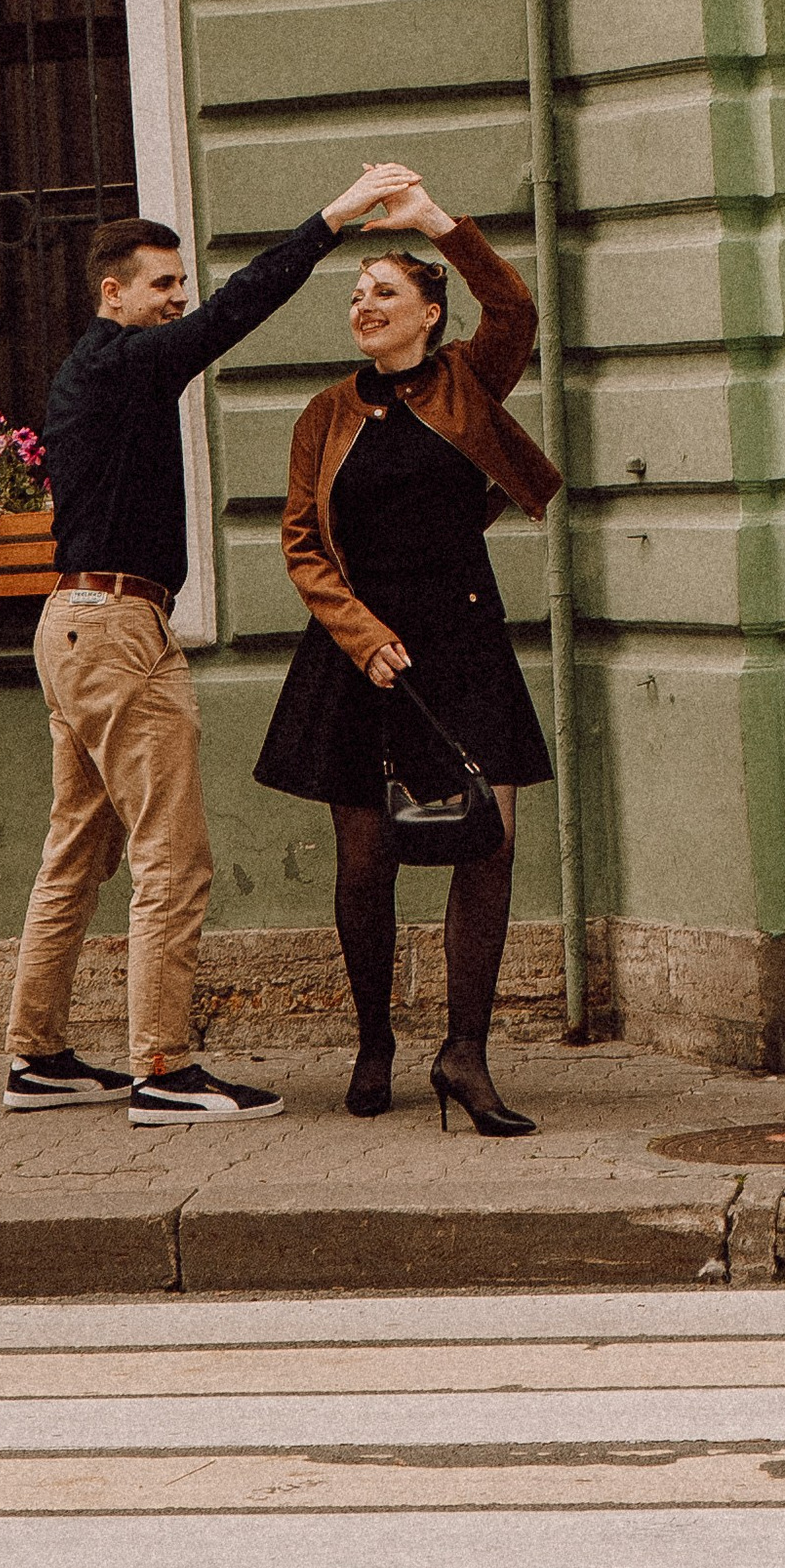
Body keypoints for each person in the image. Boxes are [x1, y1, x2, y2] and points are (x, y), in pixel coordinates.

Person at [3, 159, 422, 1126]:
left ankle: (38, 1055)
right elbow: (236, 311)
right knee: (172, 859)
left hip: (76, 626)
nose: (178, 300)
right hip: (116, 632)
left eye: (180, 283)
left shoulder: (94, 371)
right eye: (162, 285)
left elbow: (212, 314)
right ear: (113, 293)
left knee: (77, 853)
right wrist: (331, 219)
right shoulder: (123, 361)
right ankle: (162, 1067)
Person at [253, 187, 560, 1134]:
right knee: (366, 858)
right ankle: (375, 1040)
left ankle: (465, 1053)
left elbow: (513, 307)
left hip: (463, 639)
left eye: (384, 292)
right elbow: (302, 541)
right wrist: (361, 634)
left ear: (429, 314)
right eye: (356, 295)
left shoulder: (470, 378)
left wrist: (436, 223)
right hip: (361, 654)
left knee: (490, 844)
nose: (365, 306)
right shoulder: (325, 414)